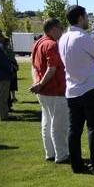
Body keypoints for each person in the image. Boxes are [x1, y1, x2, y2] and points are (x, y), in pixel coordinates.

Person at [58, 5, 94, 175]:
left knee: (74, 130)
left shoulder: (63, 38)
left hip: (72, 89)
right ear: (80, 18)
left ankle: (77, 165)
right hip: (90, 88)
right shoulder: (83, 37)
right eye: (86, 16)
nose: (88, 19)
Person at [30, 18, 70, 163]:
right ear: (53, 29)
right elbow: (52, 68)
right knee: (59, 124)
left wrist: (38, 84)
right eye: (60, 28)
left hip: (44, 92)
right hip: (55, 90)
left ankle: (50, 153)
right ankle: (62, 154)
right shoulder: (52, 44)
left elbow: (34, 66)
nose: (62, 30)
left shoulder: (37, 43)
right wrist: (40, 84)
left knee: (47, 122)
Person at [3, 38, 19, 105]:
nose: (9, 43)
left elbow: (13, 59)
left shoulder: (8, 50)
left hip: (13, 67)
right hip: (11, 68)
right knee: (11, 83)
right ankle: (11, 98)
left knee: (13, 83)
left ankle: (13, 97)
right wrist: (14, 66)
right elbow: (9, 60)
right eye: (8, 42)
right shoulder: (5, 50)